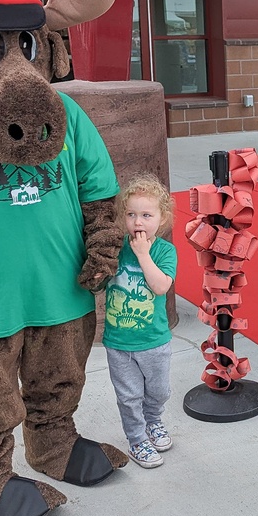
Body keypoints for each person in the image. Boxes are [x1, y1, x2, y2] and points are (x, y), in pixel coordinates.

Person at [103, 174, 178, 469]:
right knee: (129, 396)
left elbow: (161, 286)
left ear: (162, 218)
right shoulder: (115, 246)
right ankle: (136, 439)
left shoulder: (163, 251)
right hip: (119, 342)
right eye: (132, 214)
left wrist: (144, 256)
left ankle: (154, 422)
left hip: (154, 341)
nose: (138, 222)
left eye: (147, 215)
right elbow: (100, 281)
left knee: (158, 391)